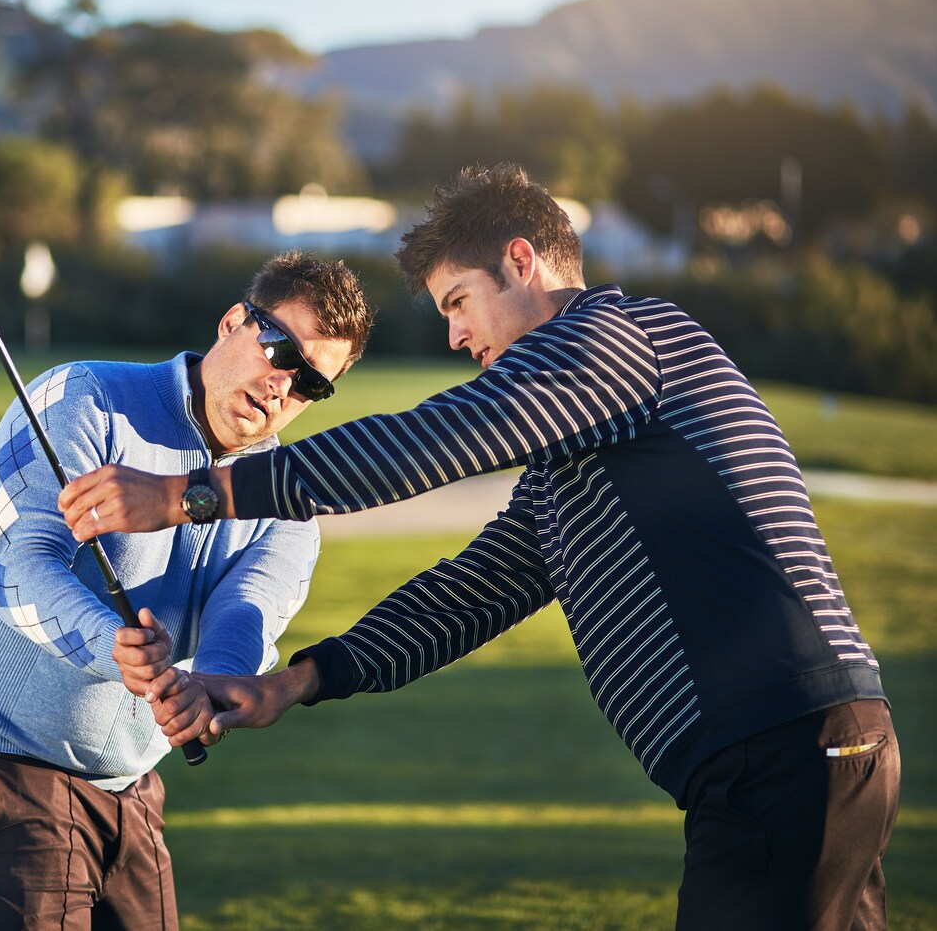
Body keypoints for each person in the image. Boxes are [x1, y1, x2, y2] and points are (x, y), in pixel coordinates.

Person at [60, 164, 902, 931]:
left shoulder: (616, 338)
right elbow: (472, 591)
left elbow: (435, 439)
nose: (458, 339)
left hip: (783, 747)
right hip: (789, 757)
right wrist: (295, 680)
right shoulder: (583, 450)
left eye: (459, 301)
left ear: (524, 260)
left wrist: (186, 496)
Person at [0, 249, 374, 930]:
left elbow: (248, 614)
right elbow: (18, 568)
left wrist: (212, 686)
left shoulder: (287, 502)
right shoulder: (81, 399)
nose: (281, 386)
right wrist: (111, 646)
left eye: (309, 385)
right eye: (277, 350)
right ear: (233, 321)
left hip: (126, 780)